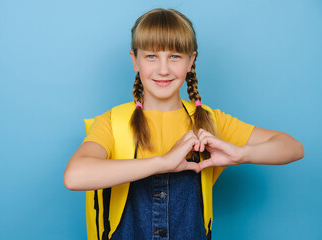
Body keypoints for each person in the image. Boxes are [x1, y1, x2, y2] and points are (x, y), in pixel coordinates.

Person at [63, 8, 304, 240]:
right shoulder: (112, 122)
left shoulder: (210, 120)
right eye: (151, 56)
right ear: (134, 60)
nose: (164, 69)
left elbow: (292, 147)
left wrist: (241, 154)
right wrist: (162, 163)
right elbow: (74, 177)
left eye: (175, 56)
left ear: (191, 61)